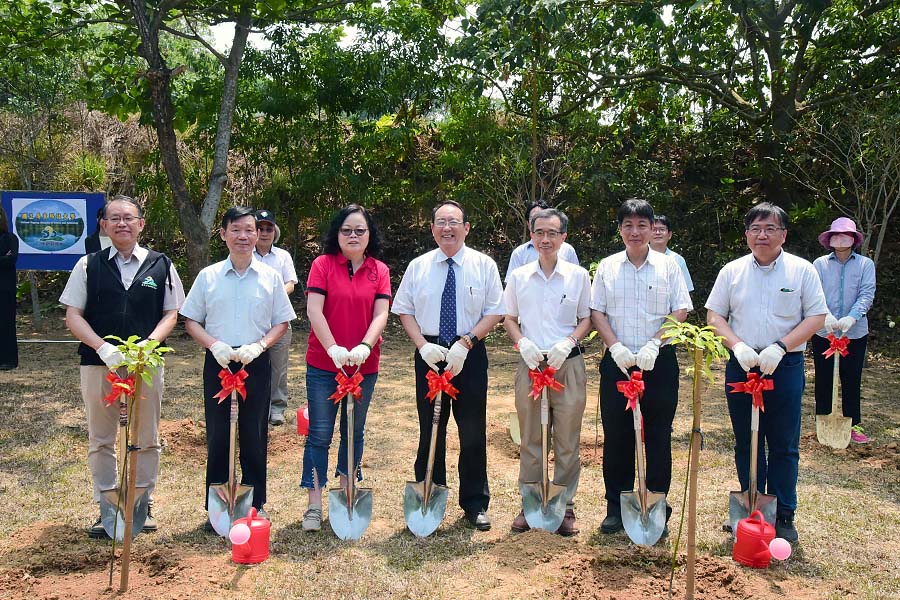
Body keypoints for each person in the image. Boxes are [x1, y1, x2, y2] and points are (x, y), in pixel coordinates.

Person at [59, 195, 185, 538]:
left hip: (145, 365)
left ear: (141, 224)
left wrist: (149, 345)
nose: (122, 224)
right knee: (101, 438)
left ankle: (142, 504)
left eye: (129, 218)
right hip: (98, 365)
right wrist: (102, 348)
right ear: (103, 225)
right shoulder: (88, 265)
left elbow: (171, 313)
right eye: (114, 218)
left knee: (146, 436)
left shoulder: (161, 264)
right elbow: (73, 315)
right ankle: (108, 506)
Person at [706, 202, 827, 544]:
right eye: (755, 229)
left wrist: (781, 346)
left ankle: (784, 513)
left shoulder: (802, 271)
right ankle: (752, 506)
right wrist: (737, 346)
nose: (762, 235)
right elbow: (715, 316)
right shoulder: (732, 271)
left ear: (783, 234)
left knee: (784, 443)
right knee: (747, 440)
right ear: (746, 234)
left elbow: (816, 317)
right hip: (742, 365)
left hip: (783, 365)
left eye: (770, 228)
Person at [392, 200, 505, 531]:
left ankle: (474, 503)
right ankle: (429, 492)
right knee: (431, 428)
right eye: (440, 221)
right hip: (429, 353)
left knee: (472, 430)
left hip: (469, 353)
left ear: (466, 227)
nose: (447, 228)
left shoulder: (483, 265)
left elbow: (496, 311)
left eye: (454, 221)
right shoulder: (419, 266)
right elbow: (404, 310)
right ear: (432, 228)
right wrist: (422, 345)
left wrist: (467, 342)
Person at [180, 206, 296, 523]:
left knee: (254, 433)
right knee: (218, 433)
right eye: (236, 229)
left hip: (254, 362)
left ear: (257, 234)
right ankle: (216, 509)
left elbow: (281, 322)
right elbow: (190, 319)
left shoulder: (271, 278)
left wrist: (259, 345)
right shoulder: (209, 276)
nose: (243, 236)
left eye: (249, 229)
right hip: (218, 361)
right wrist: (213, 344)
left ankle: (255, 502)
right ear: (223, 235)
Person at [590, 198, 691, 539]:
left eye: (642, 226)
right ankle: (616, 508)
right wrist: (615, 346)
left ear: (653, 230)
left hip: (657, 363)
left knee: (658, 437)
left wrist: (655, 343)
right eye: (628, 226)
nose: (635, 232)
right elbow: (597, 312)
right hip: (617, 363)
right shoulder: (607, 266)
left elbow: (680, 310)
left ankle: (656, 504)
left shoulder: (669, 267)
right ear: (619, 229)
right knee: (617, 437)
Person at [299, 204, 391, 532]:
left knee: (354, 432)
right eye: (346, 230)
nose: (353, 236)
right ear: (336, 234)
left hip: (364, 367)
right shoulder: (322, 265)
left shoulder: (378, 270)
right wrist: (333, 348)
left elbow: (381, 313)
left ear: (369, 235)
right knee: (320, 433)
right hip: (325, 365)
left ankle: (347, 489)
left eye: (359, 231)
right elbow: (314, 310)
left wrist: (365, 345)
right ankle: (313, 502)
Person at [503, 208, 592, 535]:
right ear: (531, 234)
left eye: (552, 233)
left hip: (566, 366)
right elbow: (509, 316)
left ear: (563, 237)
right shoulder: (519, 276)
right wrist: (522, 341)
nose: (545, 239)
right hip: (530, 366)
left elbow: (587, 318)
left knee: (567, 440)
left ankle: (564, 505)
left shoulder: (578, 276)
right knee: (531, 438)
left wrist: (569, 342)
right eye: (539, 232)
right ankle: (530, 501)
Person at [811, 217, 876, 443]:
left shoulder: (865, 265)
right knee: (824, 377)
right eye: (835, 235)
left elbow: (867, 294)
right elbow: (814, 293)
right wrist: (824, 314)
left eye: (845, 235)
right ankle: (822, 422)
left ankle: (853, 424)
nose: (840, 239)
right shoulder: (819, 264)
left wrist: (852, 317)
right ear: (829, 239)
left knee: (851, 378)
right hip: (824, 331)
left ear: (853, 239)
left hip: (854, 333)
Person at [253, 209, 299, 426]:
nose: (264, 232)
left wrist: (273, 293)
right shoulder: (244, 254)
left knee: (278, 366)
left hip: (278, 319)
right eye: (260, 228)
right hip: (252, 320)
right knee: (253, 364)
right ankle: (255, 406)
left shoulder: (283, 256)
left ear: (275, 231)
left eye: (268, 228)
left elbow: (291, 283)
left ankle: (277, 407)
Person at [506, 200, 579, 280]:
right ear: (528, 224)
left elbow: (576, 280)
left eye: (543, 216)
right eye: (534, 218)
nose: (539, 221)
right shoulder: (519, 253)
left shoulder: (568, 250)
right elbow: (511, 284)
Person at [650, 215, 694, 293]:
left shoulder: (677, 260)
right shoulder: (639, 257)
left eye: (661, 229)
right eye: (654, 230)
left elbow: (686, 293)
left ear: (669, 235)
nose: (658, 233)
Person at [0, 208, 20, 370]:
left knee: (6, 324)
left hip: (5, 290)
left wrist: (6, 259)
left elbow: (11, 259)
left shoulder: (10, 238)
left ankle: (8, 360)